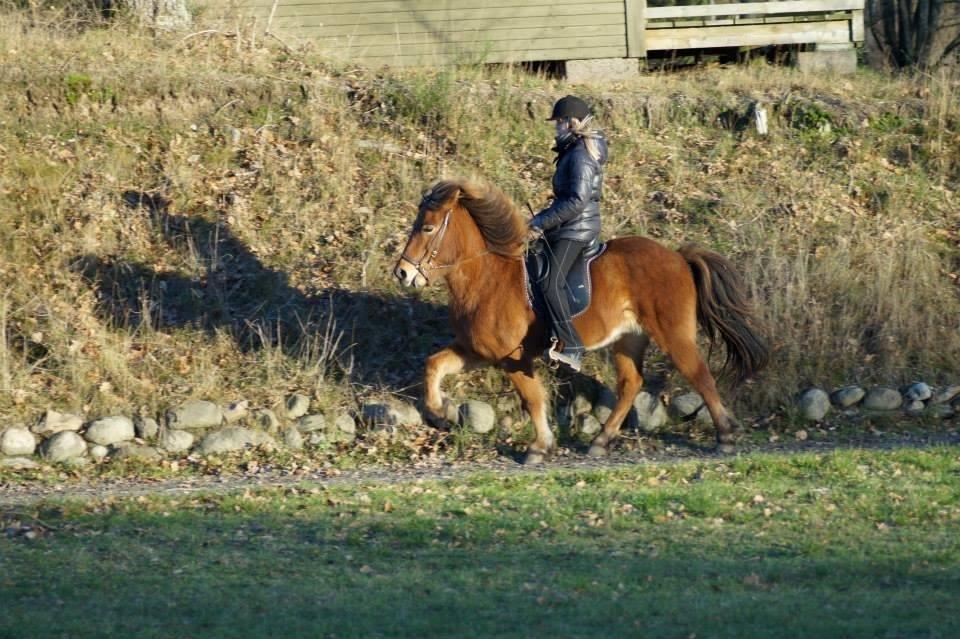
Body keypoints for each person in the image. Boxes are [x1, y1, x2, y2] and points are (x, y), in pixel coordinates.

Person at [528, 95, 608, 373]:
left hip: (577, 229)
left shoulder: (580, 155)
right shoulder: (573, 151)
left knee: (550, 282)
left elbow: (576, 200)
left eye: (559, 123)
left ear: (572, 123)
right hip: (569, 225)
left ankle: (572, 345)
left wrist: (540, 221)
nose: (556, 128)